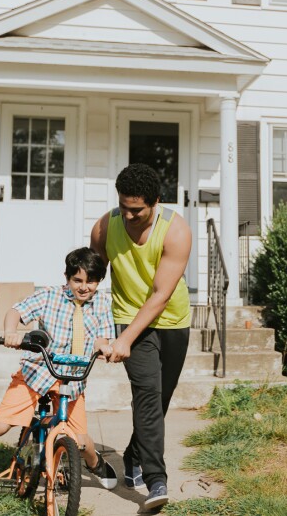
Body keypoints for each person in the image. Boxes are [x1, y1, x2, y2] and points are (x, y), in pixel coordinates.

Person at [0, 247, 118, 496]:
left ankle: (96, 463)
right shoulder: (49, 296)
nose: (83, 287)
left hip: (72, 380)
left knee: (80, 440)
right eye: (77, 280)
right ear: (66, 277)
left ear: (99, 281)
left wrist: (105, 348)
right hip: (38, 373)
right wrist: (11, 331)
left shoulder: (101, 302)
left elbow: (101, 338)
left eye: (91, 281)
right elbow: (16, 311)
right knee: (0, 426)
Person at [90, 163, 192, 511]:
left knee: (159, 403)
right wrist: (108, 332)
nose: (129, 216)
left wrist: (125, 339)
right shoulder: (105, 228)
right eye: (124, 207)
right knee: (147, 396)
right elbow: (92, 279)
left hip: (173, 322)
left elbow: (161, 295)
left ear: (156, 202)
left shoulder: (175, 231)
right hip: (127, 319)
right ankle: (156, 482)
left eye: (137, 210)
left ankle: (133, 456)